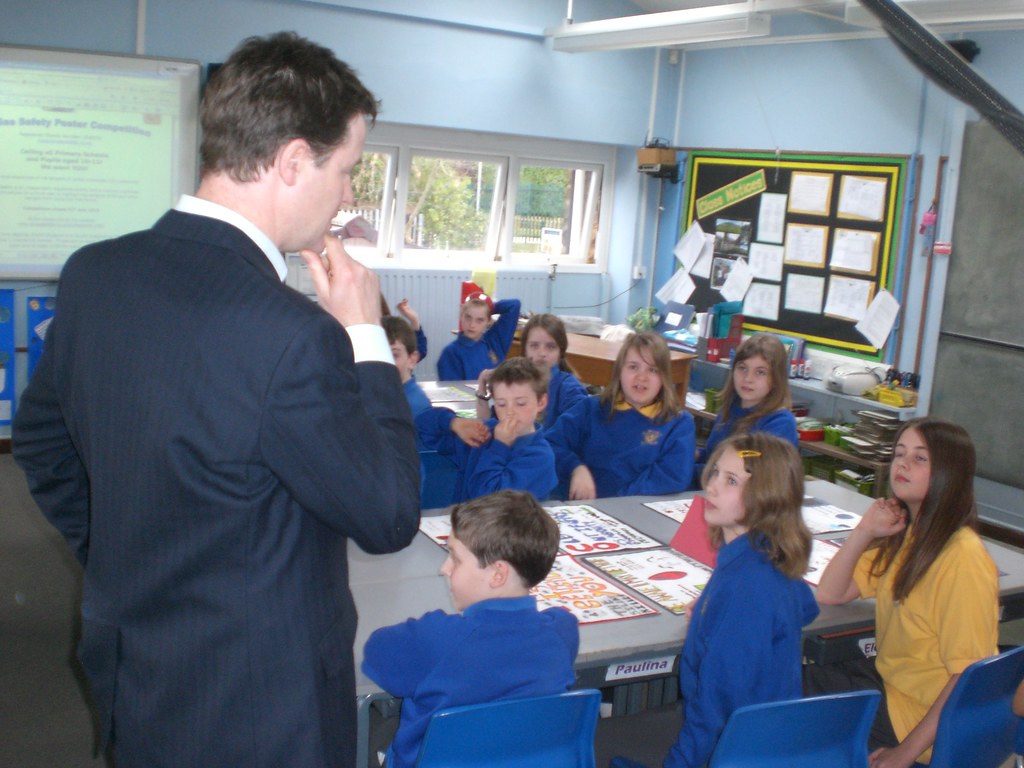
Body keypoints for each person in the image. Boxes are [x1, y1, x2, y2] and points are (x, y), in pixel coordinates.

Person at [12, 32, 421, 768]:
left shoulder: (96, 274)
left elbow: (42, 445)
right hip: (264, 708)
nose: (350, 195)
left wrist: (121, 556)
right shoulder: (295, 335)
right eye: (349, 170)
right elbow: (388, 515)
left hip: (134, 668)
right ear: (294, 161)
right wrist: (364, 336)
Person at [613, 433, 818, 768]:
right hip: (767, 742)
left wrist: (728, 613)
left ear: (768, 497)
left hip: (732, 751)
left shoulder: (745, 586)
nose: (713, 487)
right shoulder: (765, 554)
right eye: (716, 473)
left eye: (732, 480)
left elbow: (715, 709)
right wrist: (715, 606)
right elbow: (805, 605)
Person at [808, 417, 999, 768]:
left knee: (796, 688)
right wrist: (865, 530)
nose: (903, 464)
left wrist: (905, 754)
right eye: (899, 454)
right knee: (801, 670)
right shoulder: (910, 536)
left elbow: (968, 677)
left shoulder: (962, 559)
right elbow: (831, 593)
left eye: (920, 458)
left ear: (949, 473)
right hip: (893, 688)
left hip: (918, 720)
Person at [362, 490, 579, 768]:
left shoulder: (436, 639)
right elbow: (556, 621)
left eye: (455, 558)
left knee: (372, 730)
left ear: (497, 574)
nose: (444, 568)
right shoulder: (562, 632)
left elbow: (375, 652)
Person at [546, 331, 695, 500]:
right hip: (581, 509)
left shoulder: (678, 424)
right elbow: (551, 444)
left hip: (632, 512)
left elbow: (672, 476)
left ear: (664, 377)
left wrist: (617, 501)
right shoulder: (591, 409)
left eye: (653, 370)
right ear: (619, 371)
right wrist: (575, 468)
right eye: (633, 367)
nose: (642, 377)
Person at [417, 358, 557, 503]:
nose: (510, 412)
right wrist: (454, 423)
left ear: (541, 402)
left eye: (520, 403)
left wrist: (500, 446)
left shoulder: (540, 457)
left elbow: (488, 500)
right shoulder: (483, 434)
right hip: (465, 522)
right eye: (501, 404)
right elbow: (422, 424)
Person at [694, 333, 797, 486]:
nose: (748, 378)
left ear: (776, 379)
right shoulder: (730, 408)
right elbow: (712, 457)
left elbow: (746, 478)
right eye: (742, 368)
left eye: (760, 372)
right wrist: (690, 454)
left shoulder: (780, 423)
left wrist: (683, 470)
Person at [475, 313, 588, 429]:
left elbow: (580, 429)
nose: (542, 353)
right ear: (525, 350)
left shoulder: (569, 387)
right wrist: (482, 388)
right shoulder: (516, 380)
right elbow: (487, 427)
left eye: (550, 347)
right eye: (534, 346)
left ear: (561, 352)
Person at [436, 291, 521, 381]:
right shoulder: (451, 352)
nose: (472, 325)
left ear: (488, 321)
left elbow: (514, 305)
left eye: (479, 320)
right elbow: (453, 391)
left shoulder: (494, 340)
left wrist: (486, 307)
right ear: (461, 315)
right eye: (468, 317)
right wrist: (479, 309)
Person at [383, 315, 431, 422]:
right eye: (379, 354)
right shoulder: (383, 395)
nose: (386, 362)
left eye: (394, 355)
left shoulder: (414, 406)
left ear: (412, 360)